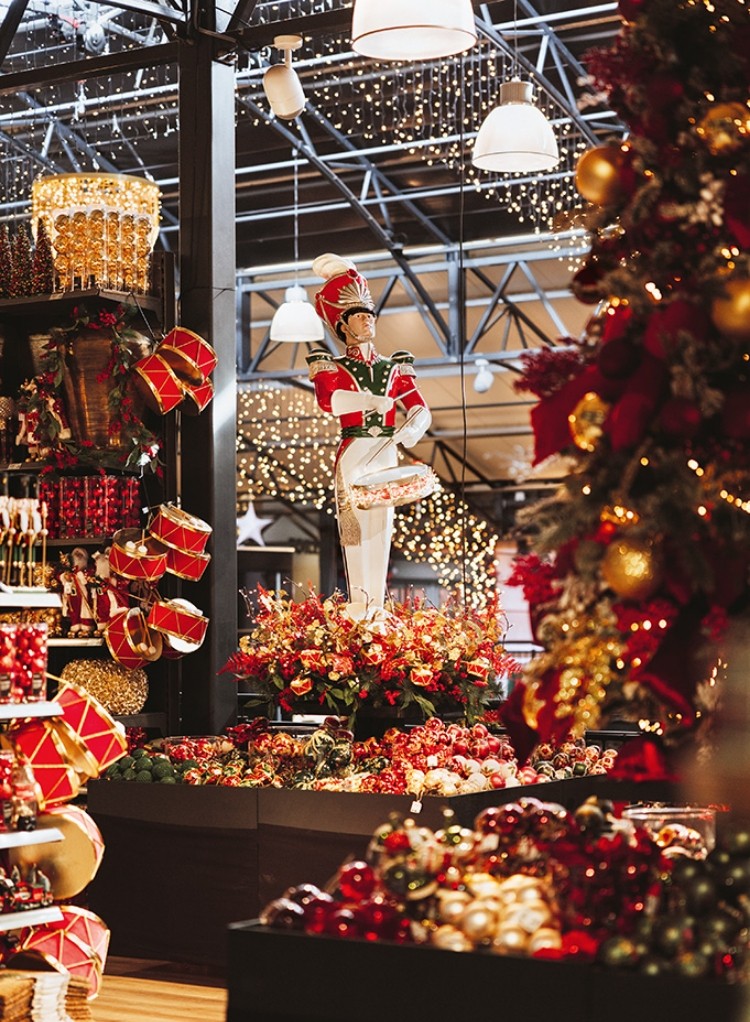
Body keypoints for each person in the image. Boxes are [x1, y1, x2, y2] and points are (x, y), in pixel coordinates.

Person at [307, 253, 431, 618]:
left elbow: (418, 406)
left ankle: (377, 604)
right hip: (355, 449)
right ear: (343, 325)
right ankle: (359, 602)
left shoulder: (395, 366)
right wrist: (370, 400)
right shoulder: (330, 365)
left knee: (382, 526)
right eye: (360, 315)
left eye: (370, 314)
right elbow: (330, 402)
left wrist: (415, 425)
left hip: (387, 449)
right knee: (355, 528)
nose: (368, 320)